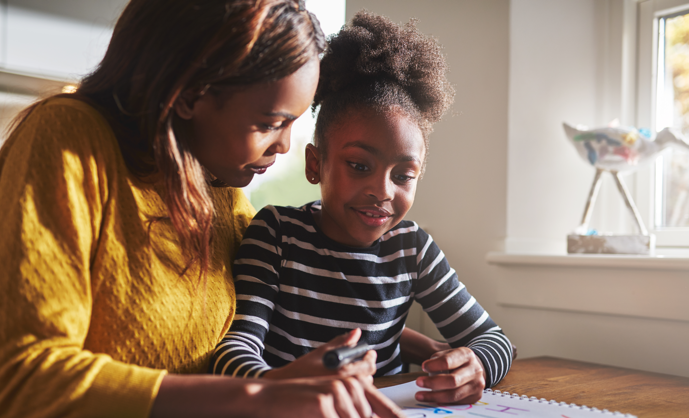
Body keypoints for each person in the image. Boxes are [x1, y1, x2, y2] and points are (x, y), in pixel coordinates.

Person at [0, 1, 404, 417]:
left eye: (291, 124)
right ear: (189, 93)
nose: (284, 146)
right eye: (269, 123)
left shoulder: (219, 187)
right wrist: (257, 397)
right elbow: (23, 376)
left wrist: (441, 351)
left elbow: (301, 287)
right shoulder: (68, 139)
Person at [210, 11, 514, 405]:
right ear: (316, 164)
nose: (382, 191)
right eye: (359, 166)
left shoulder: (413, 249)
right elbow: (233, 351)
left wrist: (477, 365)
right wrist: (279, 388)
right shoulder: (276, 233)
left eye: (404, 175)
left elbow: (495, 340)